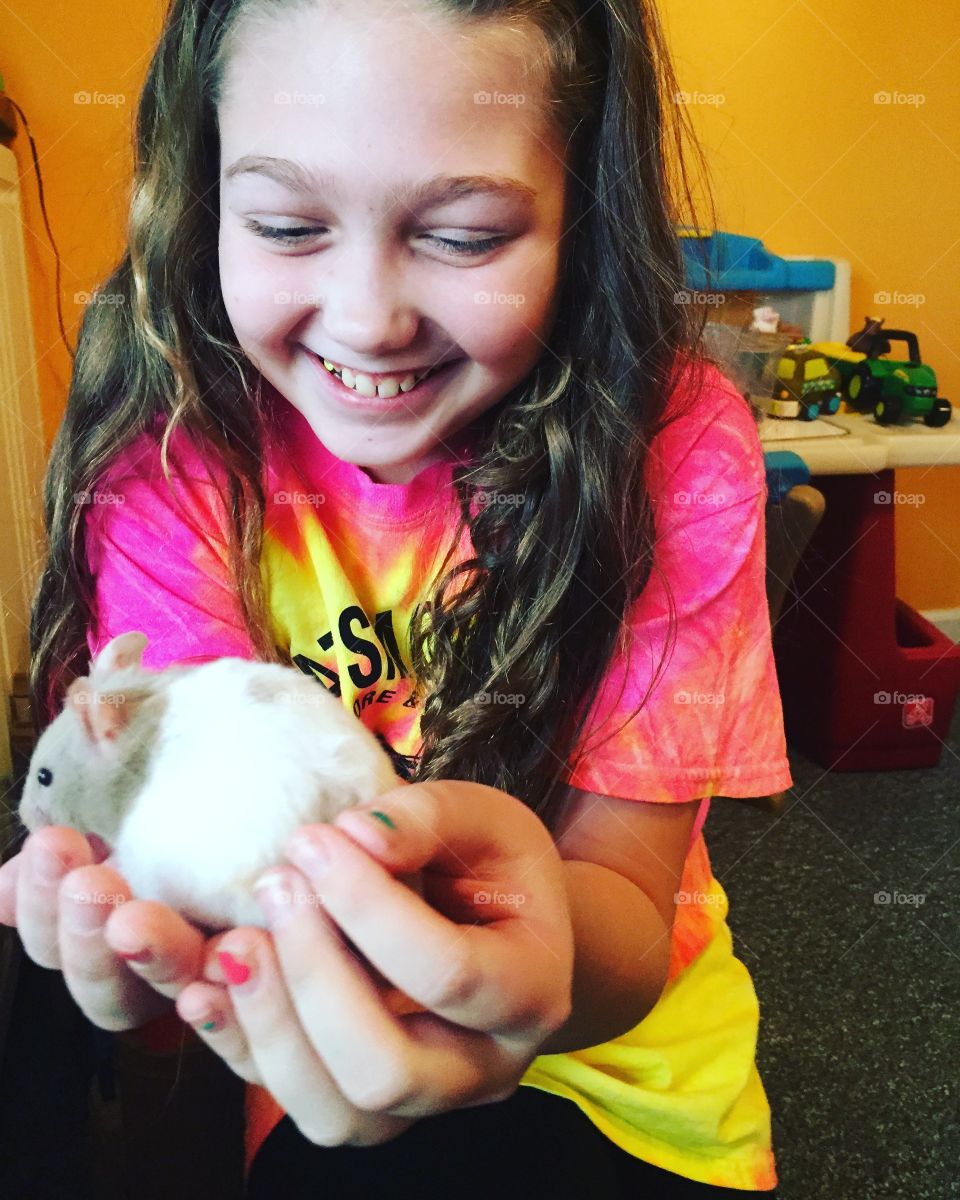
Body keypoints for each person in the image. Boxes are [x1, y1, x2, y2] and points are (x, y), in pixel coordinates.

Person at [0, 0, 793, 1195]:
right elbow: (199, 888)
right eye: (283, 223)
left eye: (467, 236)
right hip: (325, 1056)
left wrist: (516, 950)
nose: (369, 319)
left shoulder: (672, 450)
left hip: (638, 1082)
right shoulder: (170, 466)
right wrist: (156, 950)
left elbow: (629, 907)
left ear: (583, 212)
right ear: (203, 196)